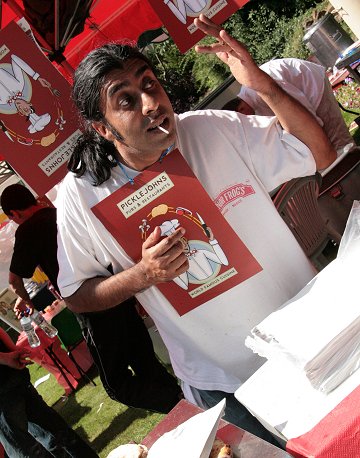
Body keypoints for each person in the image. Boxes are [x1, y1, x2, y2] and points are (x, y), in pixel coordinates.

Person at [56, 15, 336, 443]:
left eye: (149, 83)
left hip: (312, 337)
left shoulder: (209, 128)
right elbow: (76, 293)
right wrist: (142, 275)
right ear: (102, 127)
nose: (149, 103)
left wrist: (262, 84)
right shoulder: (82, 197)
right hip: (229, 386)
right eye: (126, 100)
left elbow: (316, 153)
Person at [0, 183, 181, 413]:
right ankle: (184, 403)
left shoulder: (28, 229)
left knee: (117, 385)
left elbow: (15, 281)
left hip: (90, 303)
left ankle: (178, 404)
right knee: (145, 361)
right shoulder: (60, 212)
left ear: (14, 213)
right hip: (114, 290)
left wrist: (27, 302)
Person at [223, 57, 355, 156]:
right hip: (301, 88)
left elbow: (298, 104)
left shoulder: (256, 90)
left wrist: (316, 129)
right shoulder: (254, 104)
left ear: (240, 109)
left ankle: (354, 164)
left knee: (339, 141)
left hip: (312, 84)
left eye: (244, 120)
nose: (248, 124)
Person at [0, 326, 99, 457]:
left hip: (9, 382)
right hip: (12, 378)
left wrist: (11, 355)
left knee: (35, 446)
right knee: (54, 436)